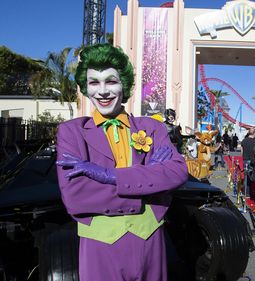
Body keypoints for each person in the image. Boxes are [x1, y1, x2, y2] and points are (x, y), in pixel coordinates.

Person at [55, 44, 188, 281]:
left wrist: (113, 176)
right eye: (94, 82)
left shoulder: (152, 128)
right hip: (99, 248)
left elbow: (177, 173)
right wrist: (148, 180)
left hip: (150, 244)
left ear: (123, 84)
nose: (103, 91)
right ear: (86, 88)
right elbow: (76, 196)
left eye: (111, 81)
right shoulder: (71, 132)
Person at [241, 128, 255, 194]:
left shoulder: (244, 141)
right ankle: (252, 191)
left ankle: (246, 192)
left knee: (246, 176)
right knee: (252, 176)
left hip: (245, 159)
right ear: (254, 133)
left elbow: (241, 152)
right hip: (252, 160)